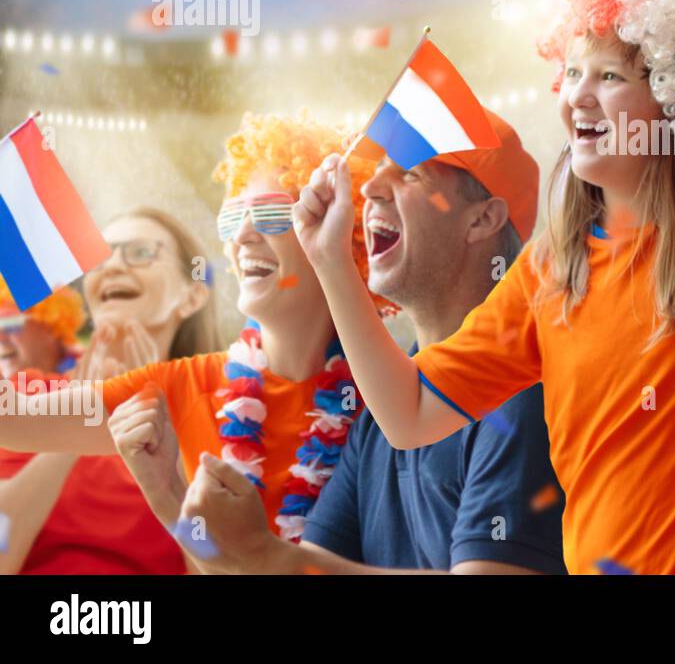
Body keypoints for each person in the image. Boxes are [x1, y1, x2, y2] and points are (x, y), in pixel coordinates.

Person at [287, 0, 675, 574]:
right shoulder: (549, 273)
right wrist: (331, 263)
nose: (577, 94)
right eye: (572, 72)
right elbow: (409, 414)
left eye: (609, 76)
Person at [144, 112, 567, 575]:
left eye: (409, 173)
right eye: (378, 170)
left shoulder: (523, 384)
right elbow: (301, 569)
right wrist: (171, 498)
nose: (369, 189)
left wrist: (268, 554)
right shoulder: (380, 414)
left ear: (483, 219)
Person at [0, 114, 379, 545]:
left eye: (273, 214)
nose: (243, 235)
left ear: (342, 235)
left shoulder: (389, 394)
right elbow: (8, 417)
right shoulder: (182, 388)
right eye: (231, 218)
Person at [0, 205, 219, 575]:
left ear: (192, 297)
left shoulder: (231, 414)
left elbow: (220, 565)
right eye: (101, 258)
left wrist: (172, 428)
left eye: (140, 252)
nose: (114, 265)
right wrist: (84, 412)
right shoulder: (23, 400)